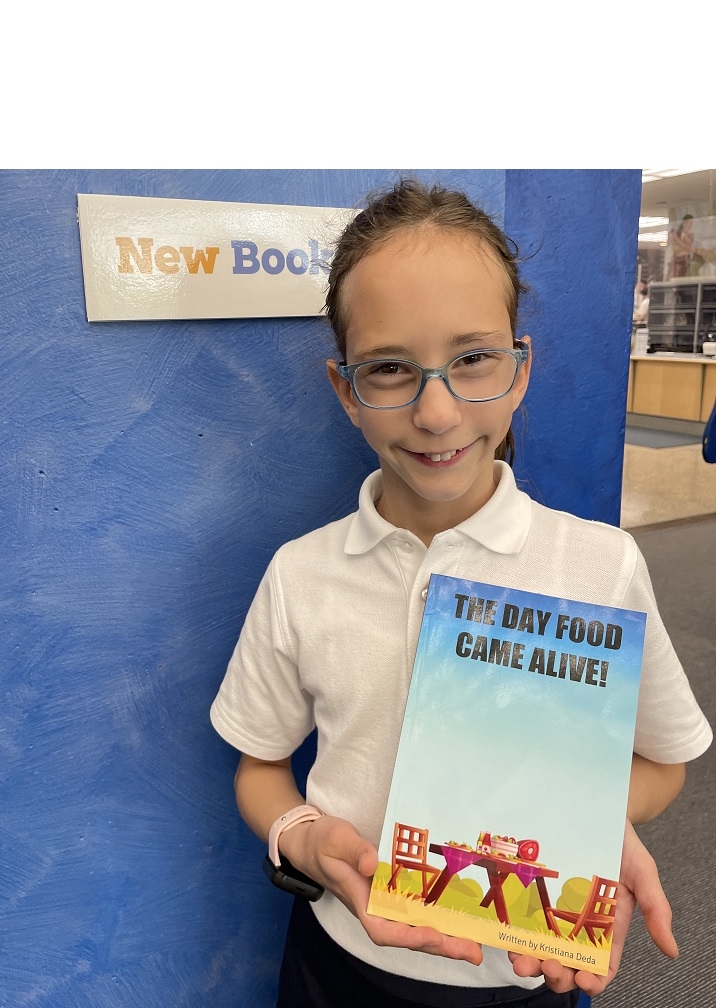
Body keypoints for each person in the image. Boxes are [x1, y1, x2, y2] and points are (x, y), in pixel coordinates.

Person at [210, 179, 712, 1008]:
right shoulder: (301, 574)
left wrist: (581, 821)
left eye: (472, 358)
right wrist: (300, 835)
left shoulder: (601, 566)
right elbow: (260, 765)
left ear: (520, 369)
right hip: (343, 957)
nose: (436, 412)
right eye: (390, 369)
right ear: (346, 389)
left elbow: (664, 762)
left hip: (522, 968)